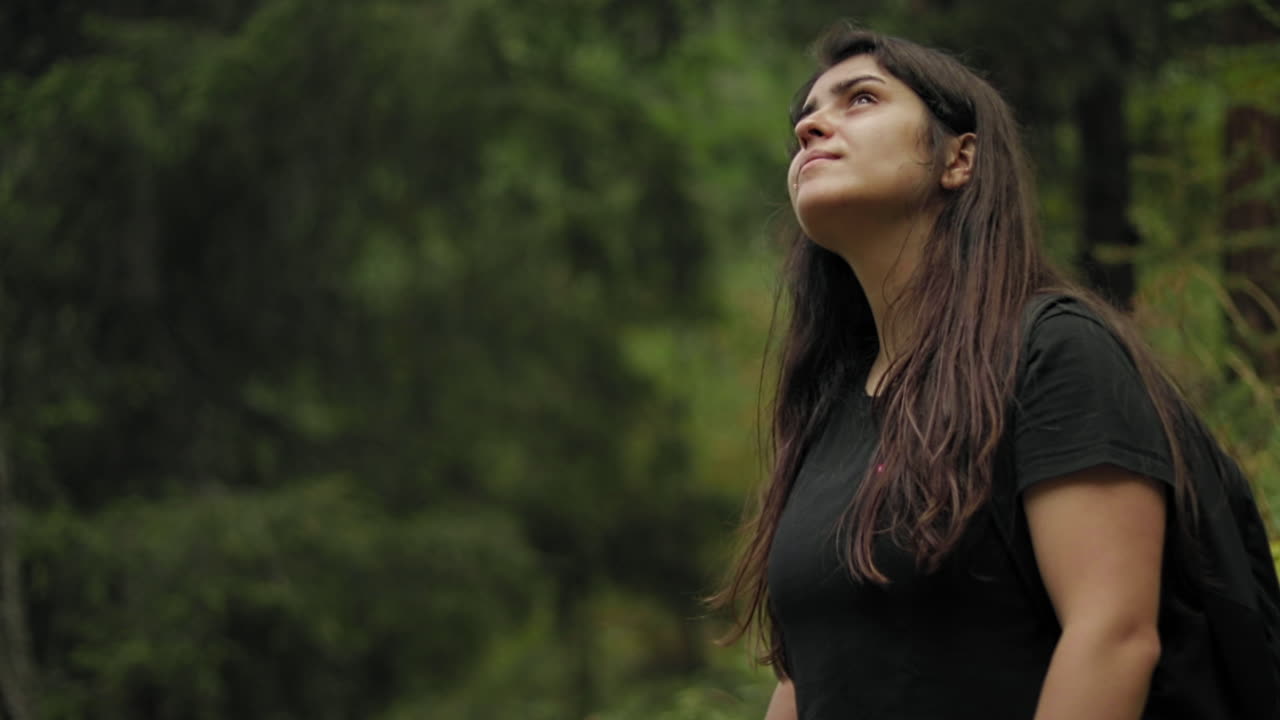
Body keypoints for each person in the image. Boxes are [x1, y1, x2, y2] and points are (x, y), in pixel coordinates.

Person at [712, 25, 1265, 720]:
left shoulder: (1054, 353)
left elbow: (1112, 637)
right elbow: (804, 680)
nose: (811, 127)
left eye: (860, 99)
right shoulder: (829, 413)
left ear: (960, 159)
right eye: (805, 118)